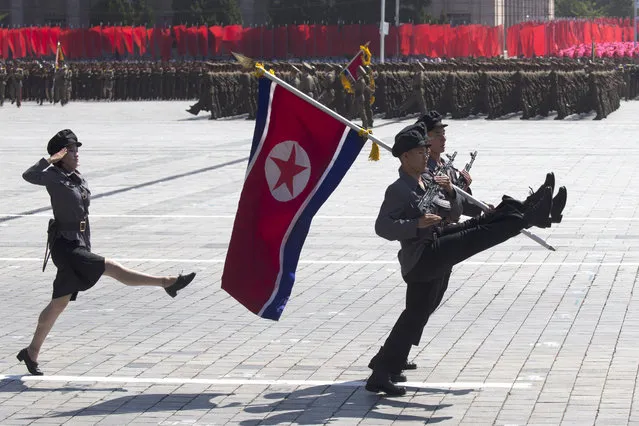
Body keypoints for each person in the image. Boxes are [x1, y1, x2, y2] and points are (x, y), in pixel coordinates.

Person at [365, 122, 567, 396]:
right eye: (420, 151)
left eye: (427, 149)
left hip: (435, 246)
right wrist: (416, 224)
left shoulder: (426, 180)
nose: (426, 154)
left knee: (416, 313)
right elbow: (382, 227)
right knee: (479, 235)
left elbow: (453, 214)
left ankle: (530, 209)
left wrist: (449, 192)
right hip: (423, 257)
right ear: (404, 157)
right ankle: (532, 216)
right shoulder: (399, 189)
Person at [18, 129, 196, 376]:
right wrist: (49, 160)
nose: (76, 153)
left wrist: (86, 245)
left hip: (78, 243)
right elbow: (28, 175)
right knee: (110, 267)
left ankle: (31, 352)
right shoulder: (52, 176)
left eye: (76, 148)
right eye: (71, 150)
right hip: (65, 247)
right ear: (60, 154)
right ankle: (167, 283)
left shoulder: (76, 177)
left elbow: (84, 217)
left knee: (58, 304)